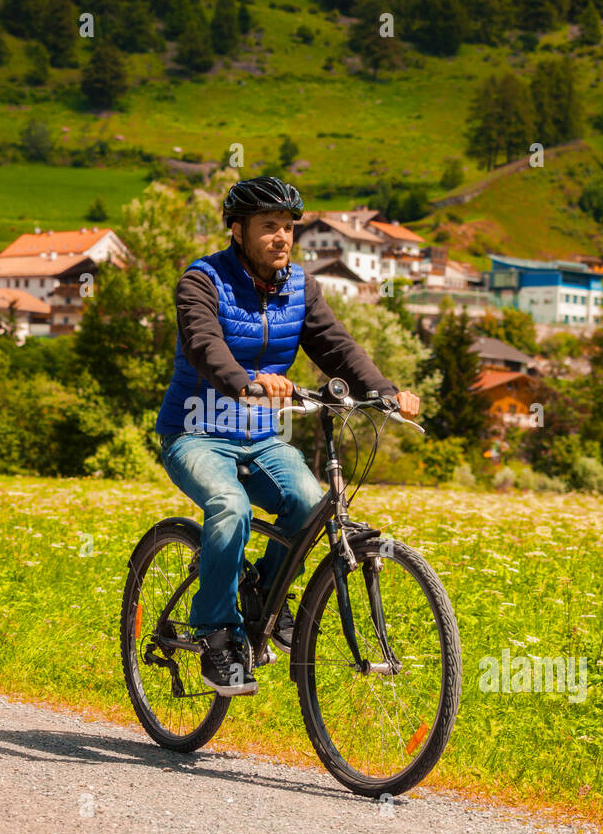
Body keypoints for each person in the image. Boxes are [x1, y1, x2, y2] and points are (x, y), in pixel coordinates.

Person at [154, 175, 420, 696]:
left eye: (288, 228)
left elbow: (337, 347)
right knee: (229, 504)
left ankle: (264, 598)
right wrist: (245, 382)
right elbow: (204, 345)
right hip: (195, 431)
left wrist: (385, 392)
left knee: (308, 504)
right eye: (268, 226)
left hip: (261, 437)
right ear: (238, 230)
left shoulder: (301, 288)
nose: (281, 237)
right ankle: (215, 636)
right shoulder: (202, 281)